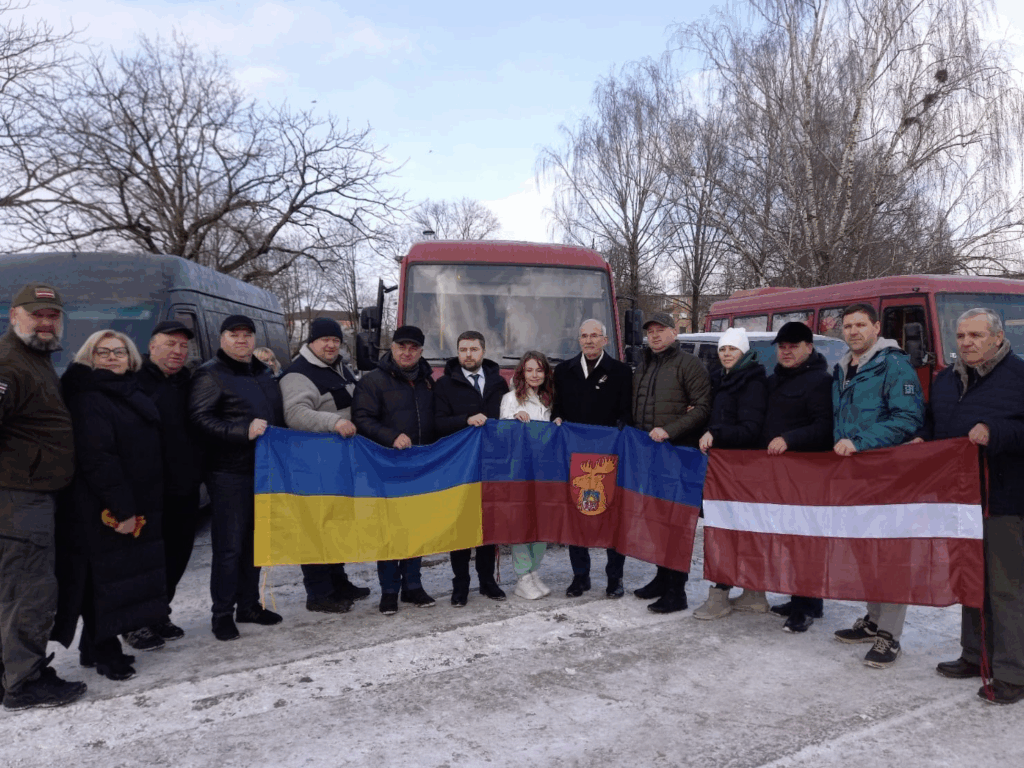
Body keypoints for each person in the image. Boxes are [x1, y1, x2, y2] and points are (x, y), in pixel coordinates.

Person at [914, 308, 1024, 704]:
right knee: (970, 579)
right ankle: (974, 654)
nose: (967, 343)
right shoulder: (946, 379)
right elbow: (933, 421)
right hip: (960, 500)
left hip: (1005, 500)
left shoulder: (1018, 374)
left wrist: (997, 432)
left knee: (1006, 588)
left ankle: (1012, 671)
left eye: (976, 335)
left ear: (996, 338)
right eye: (961, 336)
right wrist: (921, 439)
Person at [53, 330, 169, 682]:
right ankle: (106, 652)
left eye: (119, 351)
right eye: (103, 352)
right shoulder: (89, 396)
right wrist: (122, 509)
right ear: (89, 356)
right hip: (101, 506)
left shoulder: (127, 389)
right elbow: (98, 458)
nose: (112, 357)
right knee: (104, 582)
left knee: (115, 578)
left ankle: (94, 648)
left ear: (131, 357)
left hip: (130, 496)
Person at [0, 282, 87, 711]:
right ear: (15, 316)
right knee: (29, 592)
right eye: (37, 315)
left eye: (52, 316)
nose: (46, 322)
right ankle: (25, 683)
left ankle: (12, 671)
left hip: (32, 496)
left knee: (17, 589)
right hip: (18, 500)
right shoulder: (8, 365)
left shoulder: (34, 359)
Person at [831, 303, 923, 668]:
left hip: (886, 473)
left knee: (890, 554)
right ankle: (873, 620)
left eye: (860, 325)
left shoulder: (894, 365)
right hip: (854, 476)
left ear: (875, 327)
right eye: (847, 326)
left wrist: (860, 442)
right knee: (864, 550)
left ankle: (890, 635)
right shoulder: (844, 368)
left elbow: (908, 417)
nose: (853, 331)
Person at [189, 315, 286, 641]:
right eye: (234, 335)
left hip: (263, 472)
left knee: (254, 544)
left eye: (247, 335)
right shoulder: (210, 374)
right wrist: (241, 432)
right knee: (229, 547)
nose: (242, 340)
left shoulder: (262, 373)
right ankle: (221, 614)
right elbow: (199, 420)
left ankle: (248, 605)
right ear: (222, 338)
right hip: (229, 472)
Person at [280, 317, 371, 614]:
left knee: (336, 524)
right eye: (325, 340)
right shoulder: (298, 374)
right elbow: (295, 413)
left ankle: (338, 580)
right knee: (316, 526)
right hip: (313, 463)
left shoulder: (339, 366)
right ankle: (318, 593)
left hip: (339, 462)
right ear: (311, 342)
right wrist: (335, 422)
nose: (331, 345)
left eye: (336, 340)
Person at [352, 325, 437, 616]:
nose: (407, 352)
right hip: (385, 465)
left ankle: (413, 586)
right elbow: (361, 418)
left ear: (421, 351)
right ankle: (389, 591)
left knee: (415, 528)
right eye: (402, 346)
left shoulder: (428, 381)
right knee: (389, 530)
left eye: (413, 347)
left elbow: (436, 420)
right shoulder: (373, 381)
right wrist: (390, 437)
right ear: (392, 347)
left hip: (419, 465)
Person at [631, 312, 711, 613]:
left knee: (676, 524)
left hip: (679, 454)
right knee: (657, 521)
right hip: (649, 456)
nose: (655, 335)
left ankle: (677, 591)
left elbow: (702, 408)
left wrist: (670, 430)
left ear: (674, 333)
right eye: (650, 331)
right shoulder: (644, 365)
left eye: (661, 330)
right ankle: (661, 578)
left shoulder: (689, 365)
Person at [132, 320, 203, 647]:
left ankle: (159, 614)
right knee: (146, 560)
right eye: (170, 344)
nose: (177, 351)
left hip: (184, 488)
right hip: (147, 491)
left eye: (183, 346)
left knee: (176, 557)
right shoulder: (134, 381)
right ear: (153, 345)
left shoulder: (188, 382)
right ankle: (135, 623)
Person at [760, 322, 834, 633]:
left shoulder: (820, 381)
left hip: (808, 471)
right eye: (782, 346)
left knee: (805, 540)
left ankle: (805, 607)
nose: (786, 352)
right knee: (789, 538)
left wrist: (791, 438)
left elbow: (825, 426)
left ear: (808, 347)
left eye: (793, 346)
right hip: (780, 472)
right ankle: (802, 598)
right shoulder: (776, 378)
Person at [553, 319, 633, 598]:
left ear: (605, 340)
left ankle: (615, 578)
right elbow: (557, 409)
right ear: (578, 340)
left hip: (609, 456)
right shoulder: (563, 371)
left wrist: (620, 427)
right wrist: (557, 418)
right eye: (584, 336)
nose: (588, 341)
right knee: (577, 512)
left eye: (594, 336)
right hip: (575, 456)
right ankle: (580, 576)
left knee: (613, 514)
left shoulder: (622, 372)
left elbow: (628, 413)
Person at [692, 327, 768, 620]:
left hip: (739, 470)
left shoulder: (752, 382)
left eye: (732, 350)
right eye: (723, 349)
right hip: (724, 469)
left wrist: (715, 433)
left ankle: (719, 596)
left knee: (724, 533)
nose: (726, 354)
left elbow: (750, 428)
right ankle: (754, 593)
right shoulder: (721, 379)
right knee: (736, 533)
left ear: (744, 352)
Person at [433, 330, 509, 606]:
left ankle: (487, 582)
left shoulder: (499, 383)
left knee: (488, 525)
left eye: (473, 349)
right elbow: (437, 424)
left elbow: (507, 418)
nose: (468, 355)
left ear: (483, 351)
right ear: (457, 352)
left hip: (492, 465)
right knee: (461, 527)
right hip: (460, 467)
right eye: (463, 349)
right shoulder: (444, 385)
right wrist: (466, 420)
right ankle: (461, 584)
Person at [501, 351, 560, 600]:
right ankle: (522, 576)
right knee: (522, 522)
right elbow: (501, 433)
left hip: (545, 471)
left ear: (545, 373)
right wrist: (513, 419)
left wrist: (558, 421)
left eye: (539, 370)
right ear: (521, 373)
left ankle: (534, 571)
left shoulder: (550, 400)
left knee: (542, 521)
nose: (534, 375)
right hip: (520, 471)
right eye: (529, 370)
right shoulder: (511, 399)